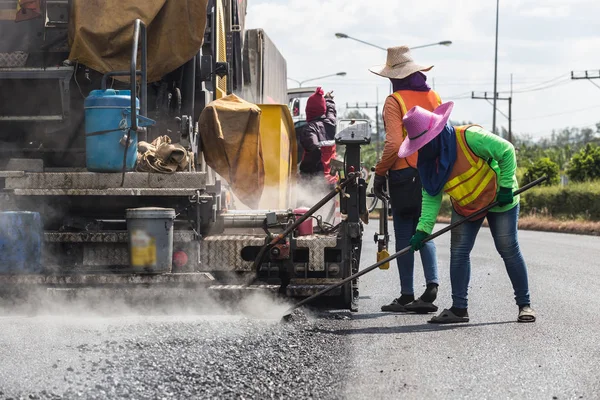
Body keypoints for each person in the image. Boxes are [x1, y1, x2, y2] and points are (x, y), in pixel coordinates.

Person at [398, 102, 536, 324]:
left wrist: (506, 187)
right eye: (419, 144)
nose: (423, 148)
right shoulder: (428, 163)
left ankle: (524, 305)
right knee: (459, 252)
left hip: (499, 198)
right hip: (465, 206)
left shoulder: (469, 138)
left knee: (507, 248)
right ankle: (459, 309)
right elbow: (431, 196)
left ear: (436, 132)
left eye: (425, 141)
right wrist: (422, 231)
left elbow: (506, 151)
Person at [369, 46, 440, 313]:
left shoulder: (394, 101)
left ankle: (407, 294)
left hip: (404, 174)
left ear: (393, 77)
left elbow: (394, 143)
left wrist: (379, 173)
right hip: (431, 172)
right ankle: (432, 284)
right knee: (425, 230)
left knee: (403, 233)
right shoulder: (434, 97)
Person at [297, 87, 338, 221]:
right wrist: (329, 100)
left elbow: (313, 148)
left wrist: (303, 170)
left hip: (313, 180)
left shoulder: (309, 128)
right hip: (331, 180)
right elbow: (331, 112)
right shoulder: (331, 124)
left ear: (309, 111)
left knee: (306, 216)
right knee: (329, 217)